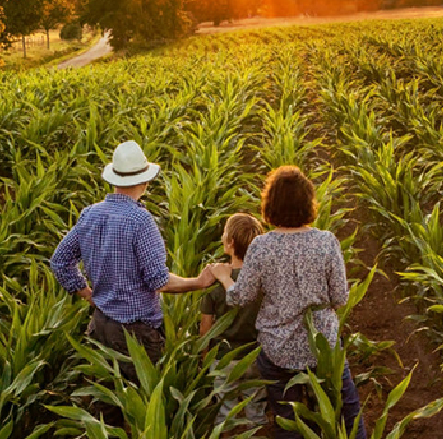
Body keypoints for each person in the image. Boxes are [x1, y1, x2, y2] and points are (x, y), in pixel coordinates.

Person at [209, 166, 367, 439]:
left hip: (277, 350)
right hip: (323, 348)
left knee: (287, 419)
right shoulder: (326, 242)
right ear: (308, 202)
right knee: (347, 410)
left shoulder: (261, 247)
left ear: (270, 205)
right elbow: (340, 297)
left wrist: (225, 278)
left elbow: (240, 297)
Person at [50, 140, 217, 380]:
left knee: (105, 401)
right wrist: (198, 282)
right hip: (136, 333)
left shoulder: (90, 214)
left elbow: (59, 261)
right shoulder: (140, 222)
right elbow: (159, 281)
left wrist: (87, 294)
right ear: (144, 181)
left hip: (100, 325)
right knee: (138, 404)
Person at [199, 213, 267, 426]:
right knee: (256, 405)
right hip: (256, 355)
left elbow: (206, 329)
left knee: (225, 410)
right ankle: (255, 430)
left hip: (224, 358)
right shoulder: (263, 279)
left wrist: (204, 357)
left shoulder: (215, 283)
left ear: (229, 243)